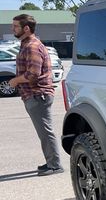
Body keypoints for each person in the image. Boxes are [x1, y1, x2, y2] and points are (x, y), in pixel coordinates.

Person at [9, 14, 64, 176]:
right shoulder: (26, 44)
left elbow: (33, 73)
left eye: (15, 26)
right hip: (34, 95)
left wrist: (15, 81)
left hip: (38, 95)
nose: (13, 29)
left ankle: (55, 165)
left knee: (46, 132)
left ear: (26, 28)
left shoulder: (32, 46)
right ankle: (50, 162)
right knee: (43, 132)